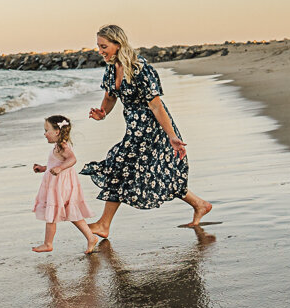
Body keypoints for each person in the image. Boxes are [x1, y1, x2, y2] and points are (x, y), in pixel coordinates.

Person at [81, 24, 214, 238]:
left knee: (119, 166)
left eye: (104, 46)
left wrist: (172, 136)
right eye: (98, 46)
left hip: (153, 128)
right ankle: (200, 204)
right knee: (156, 173)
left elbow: (156, 105)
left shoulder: (140, 68)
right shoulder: (111, 67)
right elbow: (110, 96)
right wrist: (102, 113)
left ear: (118, 44)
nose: (100, 51)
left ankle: (104, 224)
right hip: (135, 128)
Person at [32, 115, 102, 254]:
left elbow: (72, 159)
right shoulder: (58, 146)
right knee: (72, 213)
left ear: (57, 131)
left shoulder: (62, 146)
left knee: (51, 214)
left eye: (47, 130)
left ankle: (48, 243)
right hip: (60, 184)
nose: (44, 134)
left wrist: (60, 168)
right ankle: (91, 237)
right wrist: (43, 168)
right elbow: (55, 163)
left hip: (59, 186)